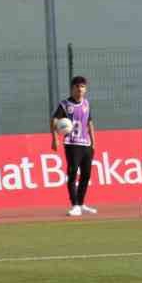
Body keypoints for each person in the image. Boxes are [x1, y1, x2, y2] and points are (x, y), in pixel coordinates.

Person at [52, 76, 97, 217]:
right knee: (72, 173)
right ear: (72, 89)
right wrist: (54, 139)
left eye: (82, 86)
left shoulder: (86, 104)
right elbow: (54, 120)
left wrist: (94, 142)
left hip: (86, 144)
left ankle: (81, 203)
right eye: (77, 86)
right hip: (72, 144)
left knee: (86, 174)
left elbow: (89, 122)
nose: (80, 89)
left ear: (86, 89)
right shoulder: (65, 105)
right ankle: (75, 205)